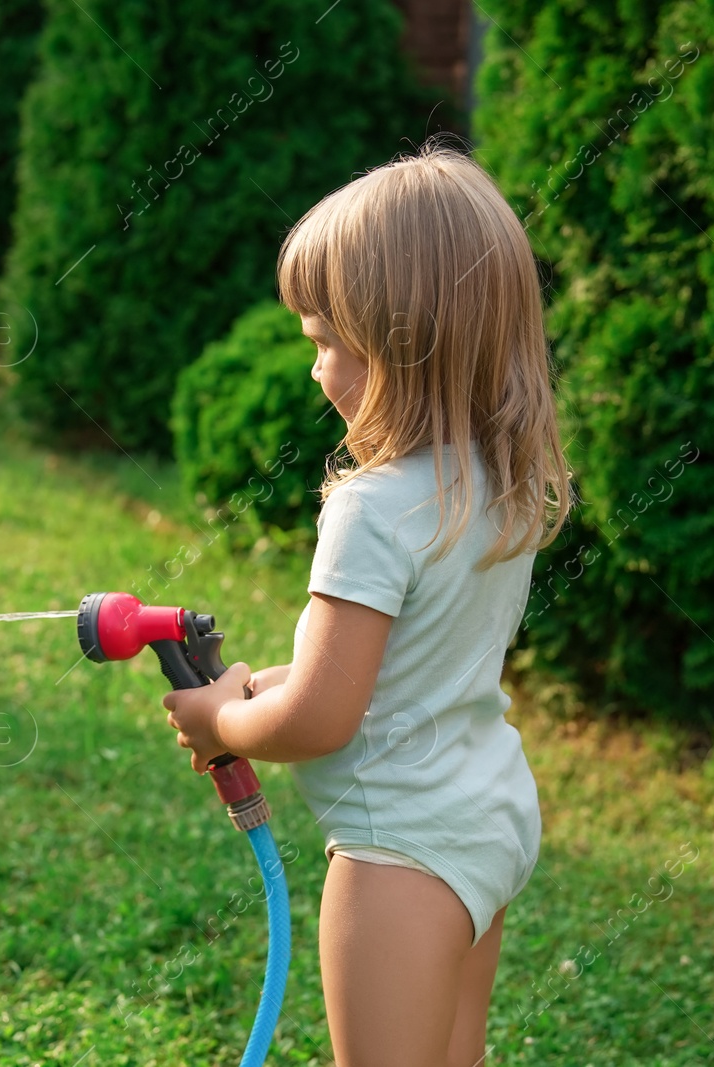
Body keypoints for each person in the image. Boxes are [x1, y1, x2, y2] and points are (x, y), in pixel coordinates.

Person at [162, 140, 572, 1067]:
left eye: (324, 342)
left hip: (401, 849)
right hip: (487, 815)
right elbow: (407, 668)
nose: (315, 370)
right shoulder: (493, 483)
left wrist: (220, 713)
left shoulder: (371, 507)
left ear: (401, 343)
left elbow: (323, 717)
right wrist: (261, 684)